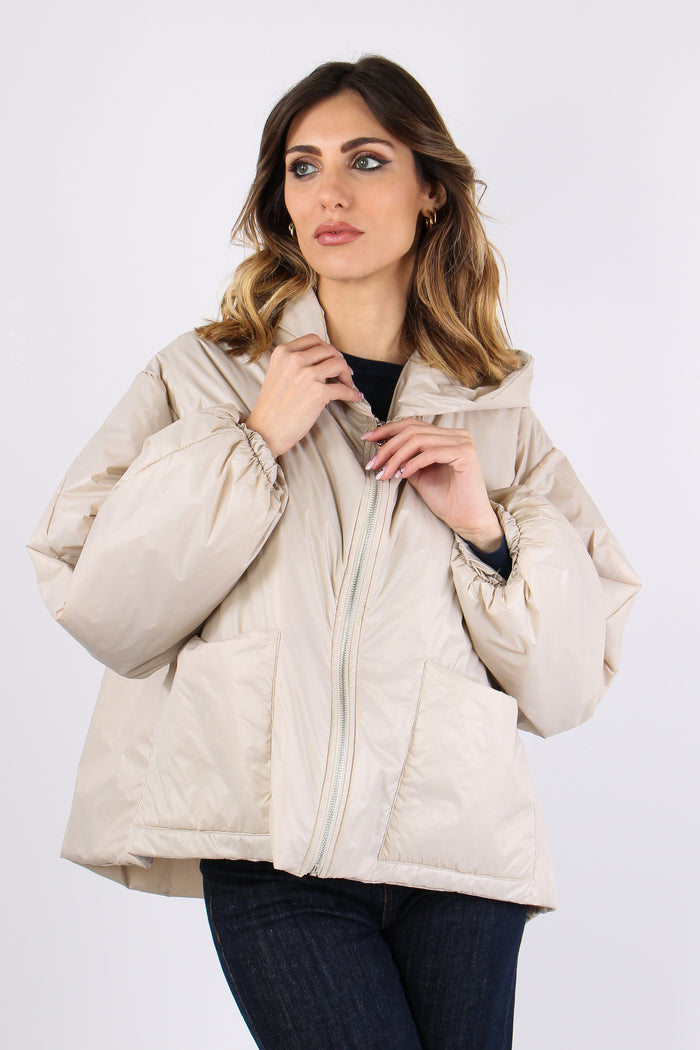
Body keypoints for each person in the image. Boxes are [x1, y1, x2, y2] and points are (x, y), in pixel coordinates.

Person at [28, 55, 640, 1050]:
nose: (330, 193)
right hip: (275, 846)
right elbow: (103, 602)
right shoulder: (205, 377)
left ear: (430, 190)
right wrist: (252, 442)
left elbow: (566, 685)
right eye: (303, 167)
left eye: (366, 160)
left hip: (457, 852)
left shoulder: (496, 413)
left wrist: (485, 530)